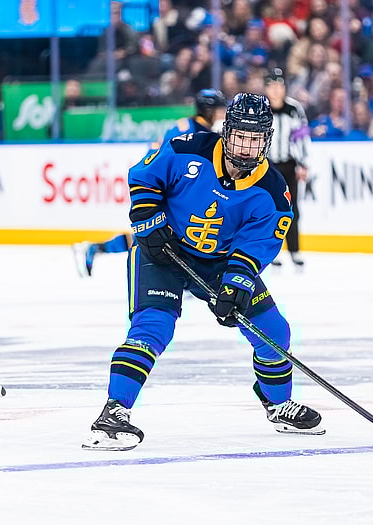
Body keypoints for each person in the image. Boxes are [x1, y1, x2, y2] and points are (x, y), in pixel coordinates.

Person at [82, 93, 324, 451]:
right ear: (226, 132)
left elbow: (256, 246)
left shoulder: (272, 192)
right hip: (163, 252)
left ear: (267, 140)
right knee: (154, 327)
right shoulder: (187, 148)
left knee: (274, 331)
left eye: (255, 138)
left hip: (219, 263)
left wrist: (236, 285)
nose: (246, 146)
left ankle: (277, 404)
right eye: (240, 135)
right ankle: (114, 412)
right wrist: (149, 221)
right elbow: (145, 178)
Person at [72, 89, 227, 278]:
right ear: (207, 110)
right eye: (219, 109)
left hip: (165, 183)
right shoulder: (194, 130)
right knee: (155, 232)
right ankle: (97, 248)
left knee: (154, 232)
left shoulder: (195, 127)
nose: (222, 113)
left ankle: (96, 248)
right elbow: (169, 161)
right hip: (163, 184)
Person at [264, 67, 311, 267]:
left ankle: (294, 250)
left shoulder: (294, 109)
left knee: (292, 209)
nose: (276, 90)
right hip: (267, 167)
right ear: (266, 88)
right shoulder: (261, 109)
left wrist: (304, 163)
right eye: (272, 86)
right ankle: (271, 251)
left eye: (279, 85)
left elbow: (302, 138)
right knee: (268, 209)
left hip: (289, 165)